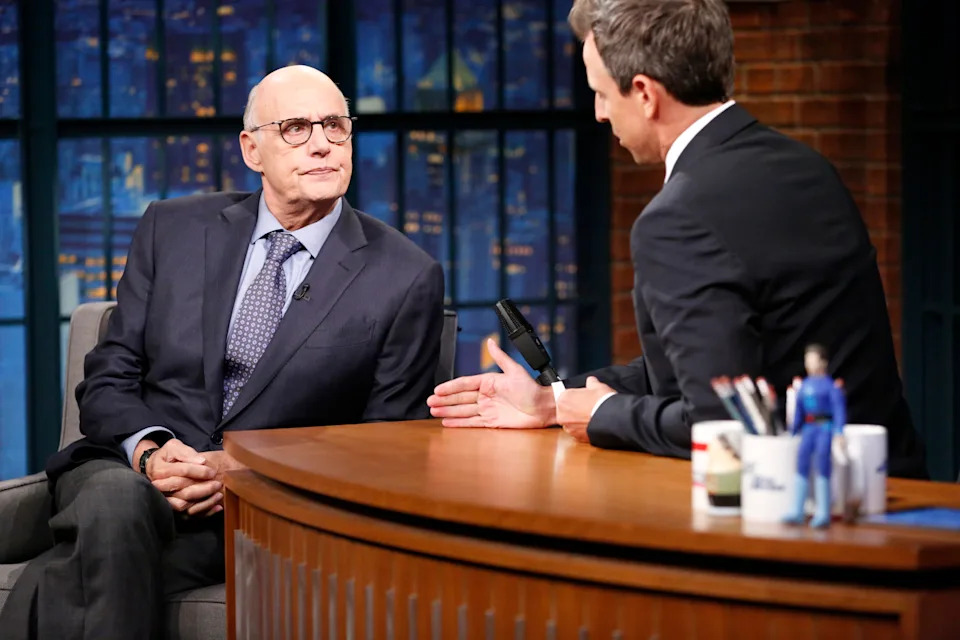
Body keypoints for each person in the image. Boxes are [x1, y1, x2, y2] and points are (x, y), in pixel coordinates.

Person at [0, 65, 444, 639]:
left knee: (94, 553)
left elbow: (387, 443)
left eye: (335, 126)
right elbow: (108, 379)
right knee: (114, 500)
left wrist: (241, 470)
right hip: (126, 470)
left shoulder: (405, 276)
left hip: (254, 513)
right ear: (251, 149)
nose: (321, 144)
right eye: (295, 128)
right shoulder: (172, 228)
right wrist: (152, 454)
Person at [428, 0, 927, 480]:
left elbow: (720, 426)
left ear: (644, 93)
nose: (600, 114)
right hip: (893, 485)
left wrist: (603, 414)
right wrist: (555, 401)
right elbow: (723, 365)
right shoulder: (808, 168)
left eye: (601, 93)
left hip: (800, 515)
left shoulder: (678, 217)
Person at [784, 344, 847, 528]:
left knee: (822, 465)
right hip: (808, 429)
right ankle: (797, 509)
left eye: (813, 359)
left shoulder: (831, 387)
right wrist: (793, 430)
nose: (809, 363)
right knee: (802, 463)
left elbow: (839, 411)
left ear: (823, 362)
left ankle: (823, 512)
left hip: (824, 428)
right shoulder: (804, 386)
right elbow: (799, 411)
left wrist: (839, 432)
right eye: (807, 359)